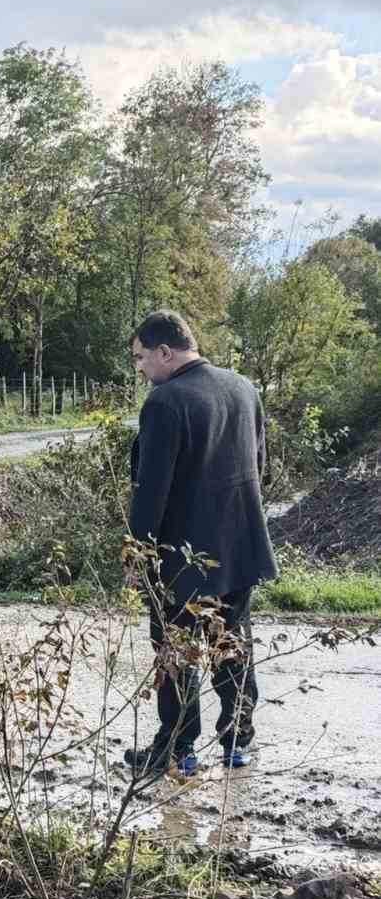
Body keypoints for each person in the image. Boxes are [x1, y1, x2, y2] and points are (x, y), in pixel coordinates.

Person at [126, 309, 277, 777]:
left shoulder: (165, 402)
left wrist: (136, 554)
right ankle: (237, 742)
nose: (140, 369)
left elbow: (151, 491)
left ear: (165, 352)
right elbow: (261, 466)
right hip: (241, 548)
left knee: (175, 652)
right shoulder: (244, 388)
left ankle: (177, 749)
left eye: (141, 358)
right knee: (232, 644)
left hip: (182, 559)